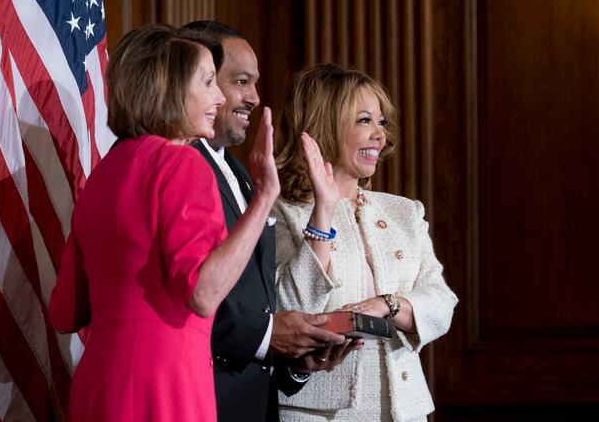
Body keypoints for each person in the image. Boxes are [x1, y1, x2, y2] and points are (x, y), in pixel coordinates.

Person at [48, 24, 280, 421]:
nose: (220, 97)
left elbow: (65, 312)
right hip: (165, 387)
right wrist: (263, 199)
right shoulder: (182, 163)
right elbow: (204, 294)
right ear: (172, 89)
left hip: (99, 388)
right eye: (209, 82)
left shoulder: (105, 173)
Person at [182, 21, 357, 422]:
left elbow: (255, 300)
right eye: (239, 81)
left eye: (255, 83)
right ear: (196, 79)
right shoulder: (180, 168)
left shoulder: (245, 175)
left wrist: (294, 363)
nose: (254, 98)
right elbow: (188, 292)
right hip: (201, 402)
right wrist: (267, 336)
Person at [271, 64, 458, 421]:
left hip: (405, 410)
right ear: (325, 124)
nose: (379, 135)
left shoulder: (405, 212)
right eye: (364, 121)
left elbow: (442, 302)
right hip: (316, 412)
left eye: (382, 123)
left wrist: (388, 304)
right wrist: (323, 211)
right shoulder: (283, 211)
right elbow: (291, 307)